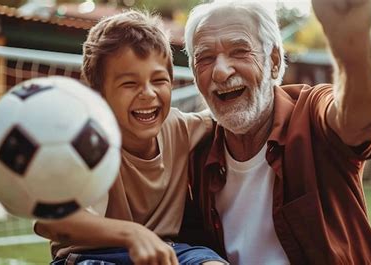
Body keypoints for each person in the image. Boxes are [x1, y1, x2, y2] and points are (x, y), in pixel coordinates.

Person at [183, 0, 371, 264]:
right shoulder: (196, 152)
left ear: (273, 60)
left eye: (239, 51)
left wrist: (352, 43)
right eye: (205, 58)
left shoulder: (311, 113)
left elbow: (358, 122)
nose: (221, 72)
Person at [34, 10, 227, 265]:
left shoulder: (181, 126)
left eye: (159, 80)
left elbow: (231, 116)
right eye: (129, 84)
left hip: (166, 249)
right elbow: (50, 220)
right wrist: (132, 234)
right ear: (98, 96)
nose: (148, 93)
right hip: (90, 254)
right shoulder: (86, 142)